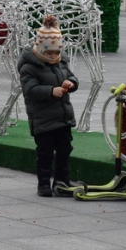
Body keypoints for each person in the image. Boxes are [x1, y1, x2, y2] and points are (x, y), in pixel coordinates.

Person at [18, 15, 82, 198]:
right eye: (49, 54)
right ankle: (44, 184)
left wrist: (71, 83)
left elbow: (72, 76)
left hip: (63, 117)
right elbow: (30, 90)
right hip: (43, 119)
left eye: (56, 53)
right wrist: (50, 91)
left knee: (64, 150)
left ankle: (62, 181)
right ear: (39, 50)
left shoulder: (61, 62)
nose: (53, 57)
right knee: (45, 153)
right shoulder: (29, 67)